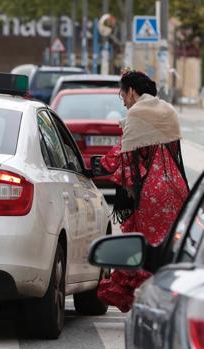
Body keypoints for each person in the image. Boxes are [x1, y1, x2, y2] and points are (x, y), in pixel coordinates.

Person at [96, 69, 189, 312]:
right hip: (177, 188)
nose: (124, 100)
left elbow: (125, 156)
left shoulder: (138, 113)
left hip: (152, 194)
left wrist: (98, 166)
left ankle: (150, 303)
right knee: (168, 247)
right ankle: (171, 298)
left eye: (123, 94)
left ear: (133, 91)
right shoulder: (167, 110)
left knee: (144, 249)